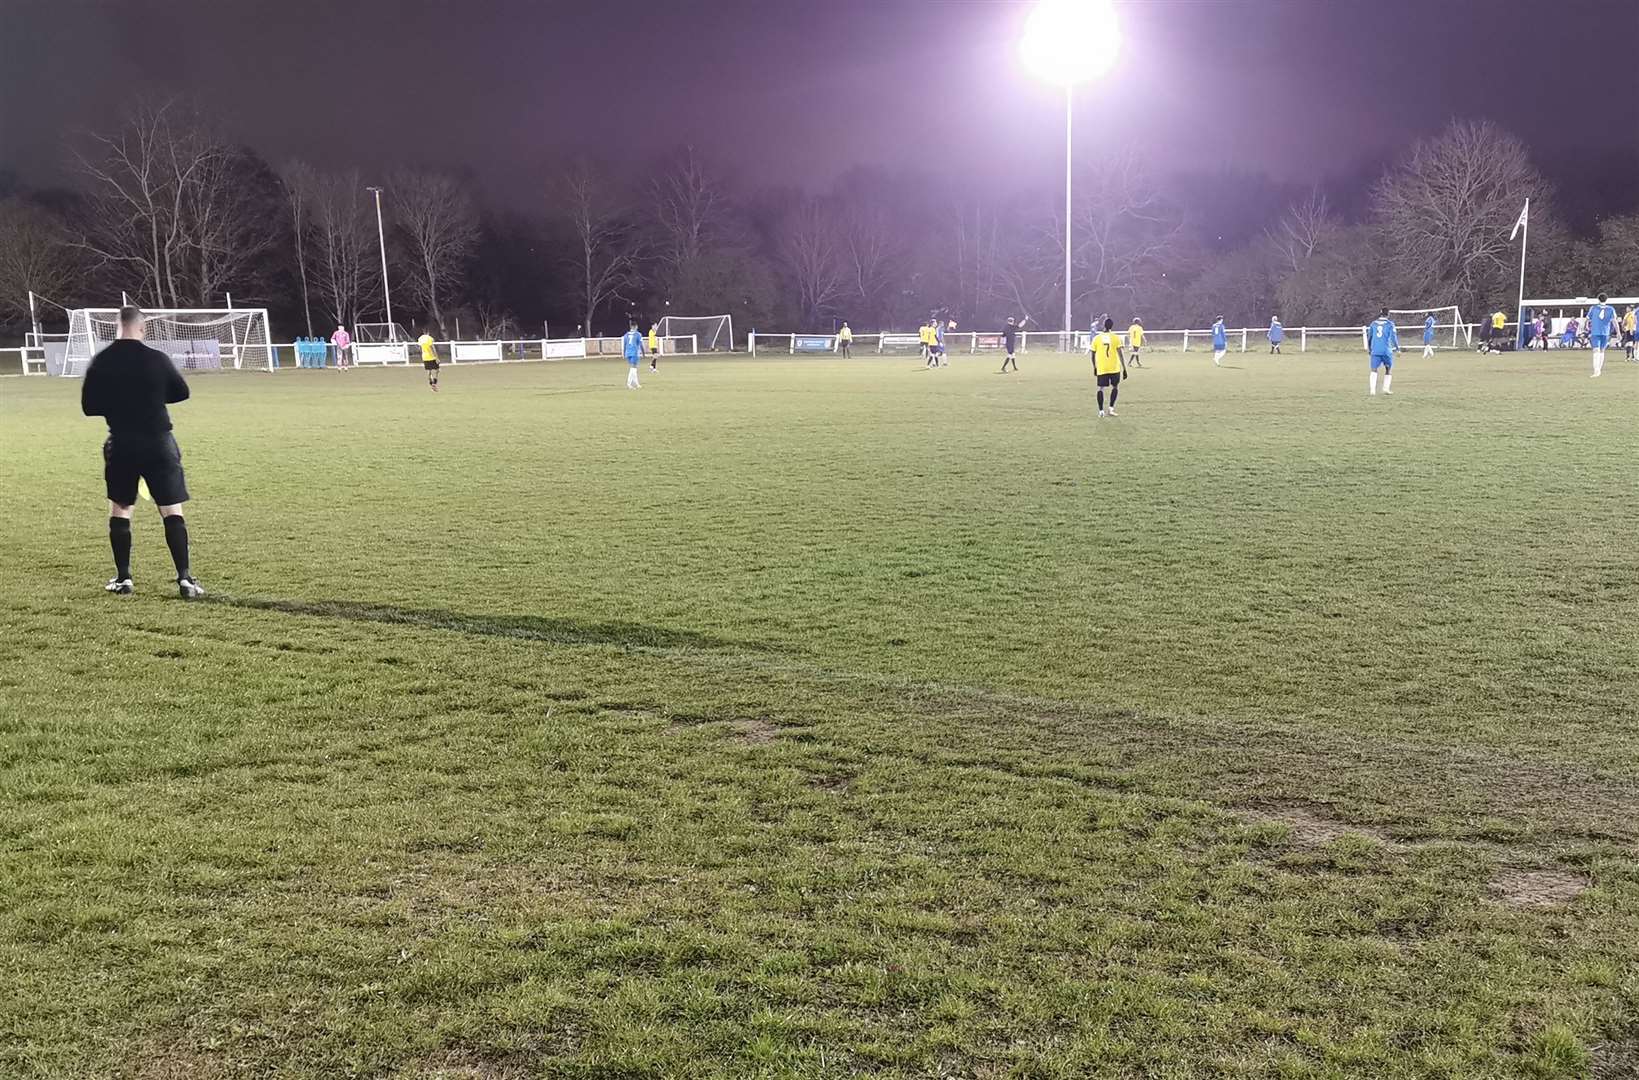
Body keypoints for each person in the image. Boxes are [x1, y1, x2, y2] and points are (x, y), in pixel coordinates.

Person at [80, 306, 205, 599]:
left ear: (117, 326)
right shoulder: (156, 358)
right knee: (171, 509)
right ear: (142, 327)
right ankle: (185, 580)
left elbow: (89, 407)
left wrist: (118, 403)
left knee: (121, 508)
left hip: (122, 443)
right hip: (159, 442)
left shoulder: (102, 360)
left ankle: (124, 579)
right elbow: (181, 392)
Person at [1089, 316, 1127, 417]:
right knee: (1115, 387)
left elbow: (1092, 355)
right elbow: (1120, 354)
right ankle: (1111, 409)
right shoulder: (1116, 338)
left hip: (1102, 367)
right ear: (1112, 326)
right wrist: (1124, 368)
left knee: (1100, 388)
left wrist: (1095, 367)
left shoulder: (1097, 338)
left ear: (1103, 326)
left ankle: (1101, 411)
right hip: (1114, 367)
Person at [1367, 307, 1400, 396]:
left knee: (1373, 370)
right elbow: (1393, 337)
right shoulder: (1390, 324)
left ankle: (1372, 390)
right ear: (1388, 314)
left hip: (1375, 350)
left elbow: (1369, 337)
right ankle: (1386, 389)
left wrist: (1369, 349)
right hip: (1386, 350)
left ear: (1380, 314)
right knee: (1388, 369)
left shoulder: (1373, 324)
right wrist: (1397, 349)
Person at [1586, 293, 1617, 377]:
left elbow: (1587, 319)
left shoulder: (1593, 308)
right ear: (1606, 300)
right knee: (1602, 351)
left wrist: (1586, 327)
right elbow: (1615, 321)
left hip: (1595, 332)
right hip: (1605, 333)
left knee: (1596, 350)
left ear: (1598, 299)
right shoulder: (1611, 309)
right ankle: (1598, 370)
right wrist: (1619, 332)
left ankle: (1596, 371)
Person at [622, 319, 644, 388]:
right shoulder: (638, 334)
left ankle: (636, 384)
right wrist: (643, 353)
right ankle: (629, 383)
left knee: (634, 368)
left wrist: (623, 353)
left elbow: (624, 344)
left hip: (628, 353)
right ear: (636, 326)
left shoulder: (626, 334)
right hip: (634, 352)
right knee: (633, 368)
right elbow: (641, 344)